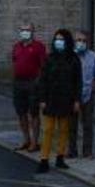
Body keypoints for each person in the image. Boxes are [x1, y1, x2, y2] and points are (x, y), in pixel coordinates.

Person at [36, 29, 82, 173]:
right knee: (48, 130)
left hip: (67, 99)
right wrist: (42, 99)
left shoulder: (74, 59)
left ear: (67, 41)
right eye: (56, 39)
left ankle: (60, 158)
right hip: (50, 99)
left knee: (63, 130)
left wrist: (76, 100)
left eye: (61, 39)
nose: (58, 42)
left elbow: (78, 81)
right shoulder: (49, 58)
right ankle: (44, 159)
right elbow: (42, 80)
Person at [67, 30, 95, 158]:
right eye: (78, 40)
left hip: (88, 94)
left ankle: (87, 151)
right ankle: (72, 150)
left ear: (88, 42)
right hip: (71, 96)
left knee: (88, 124)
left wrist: (92, 88)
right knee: (71, 125)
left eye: (84, 41)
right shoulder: (69, 56)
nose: (81, 43)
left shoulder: (94, 57)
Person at [12, 22, 47, 152]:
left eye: (27, 30)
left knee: (33, 113)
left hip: (33, 83)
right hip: (18, 82)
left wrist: (38, 81)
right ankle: (26, 139)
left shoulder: (39, 46)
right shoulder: (16, 46)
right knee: (21, 112)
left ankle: (34, 142)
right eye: (22, 30)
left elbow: (43, 65)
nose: (24, 32)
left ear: (33, 32)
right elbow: (14, 61)